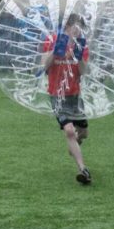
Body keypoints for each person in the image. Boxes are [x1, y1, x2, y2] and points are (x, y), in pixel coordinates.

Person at [42, 13, 91, 184]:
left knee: (83, 133)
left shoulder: (82, 46)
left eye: (81, 28)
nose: (78, 31)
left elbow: (84, 72)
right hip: (57, 96)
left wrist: (78, 58)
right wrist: (55, 53)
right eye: (76, 27)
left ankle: (76, 142)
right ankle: (83, 170)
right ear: (68, 27)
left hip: (75, 97)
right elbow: (44, 66)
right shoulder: (53, 40)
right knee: (69, 131)